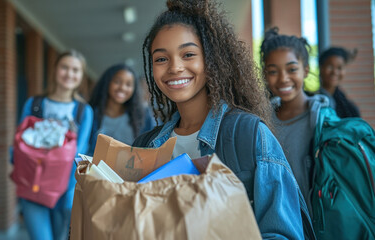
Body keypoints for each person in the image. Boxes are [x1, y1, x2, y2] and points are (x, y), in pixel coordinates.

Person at [133, 0, 311, 238]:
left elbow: (283, 234)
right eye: (161, 59)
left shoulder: (249, 134)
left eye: (188, 54)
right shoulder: (145, 146)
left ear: (211, 60)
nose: (175, 67)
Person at [18, 50, 93, 240]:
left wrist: (69, 191)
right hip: (33, 185)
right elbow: (19, 144)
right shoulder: (34, 104)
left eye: (75, 70)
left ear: (81, 76)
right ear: (55, 70)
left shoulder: (84, 111)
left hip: (65, 192)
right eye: (64, 67)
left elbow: (80, 151)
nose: (69, 74)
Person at [260, 27, 332, 218]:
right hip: (279, 226)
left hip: (318, 226)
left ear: (306, 70)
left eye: (292, 69)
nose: (283, 79)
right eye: (273, 71)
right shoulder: (262, 123)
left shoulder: (323, 122)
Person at [87, 64, 155, 155]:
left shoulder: (142, 116)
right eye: (117, 82)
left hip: (129, 168)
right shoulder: (91, 112)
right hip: (94, 167)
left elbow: (151, 149)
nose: (122, 88)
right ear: (107, 82)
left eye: (128, 84)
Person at [318, 47, 360, 118]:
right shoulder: (309, 101)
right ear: (321, 68)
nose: (335, 72)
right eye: (330, 66)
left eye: (339, 68)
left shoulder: (349, 109)